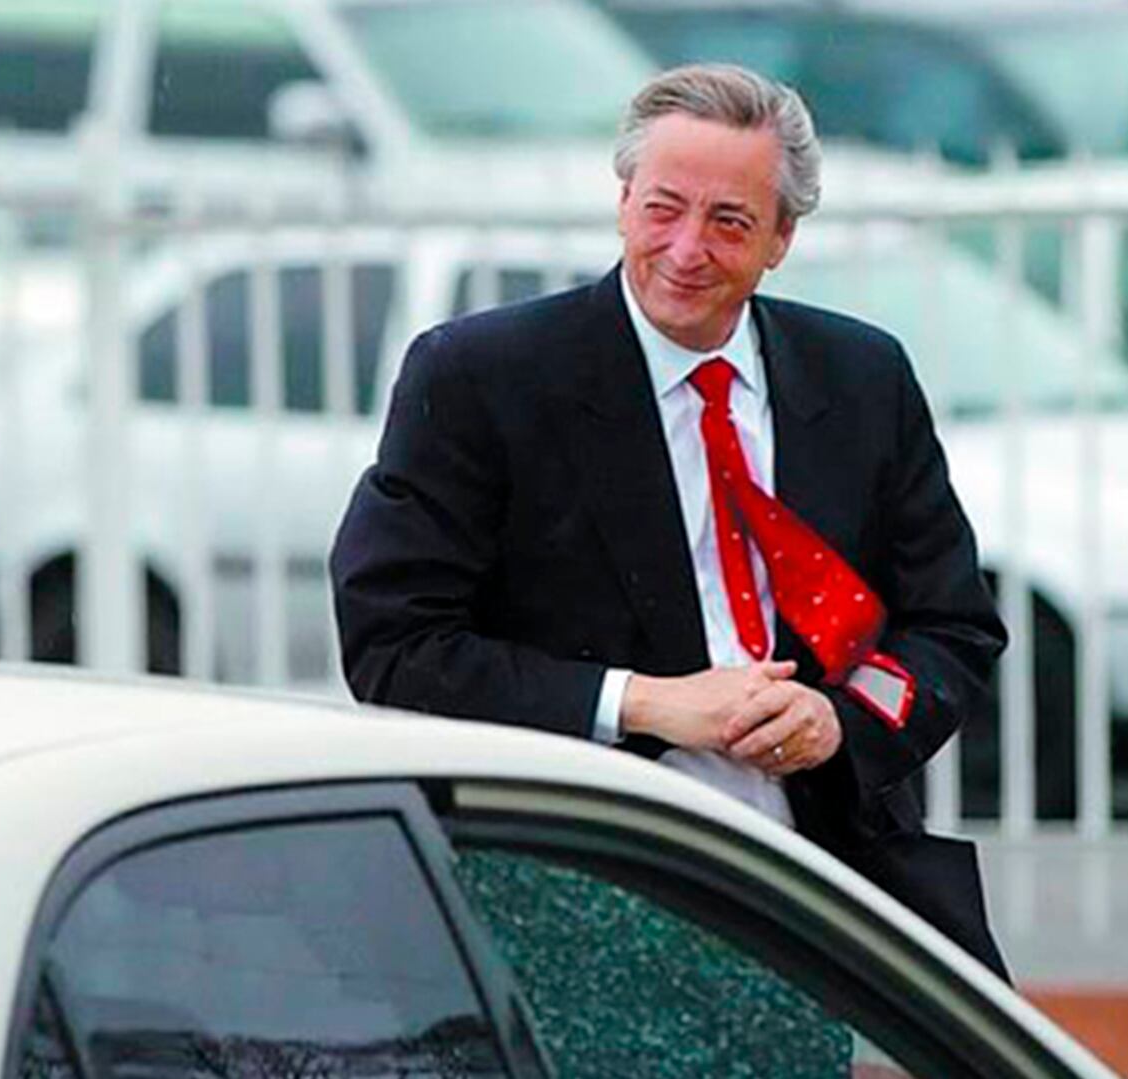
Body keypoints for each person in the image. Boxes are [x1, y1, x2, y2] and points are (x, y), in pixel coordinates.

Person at [330, 64, 1009, 976]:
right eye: (663, 208)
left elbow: (951, 627)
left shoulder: (863, 378)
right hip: (570, 883)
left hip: (822, 885)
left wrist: (838, 721)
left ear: (782, 238)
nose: (687, 247)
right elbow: (395, 649)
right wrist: (647, 701)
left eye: (729, 221)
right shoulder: (480, 378)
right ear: (621, 203)